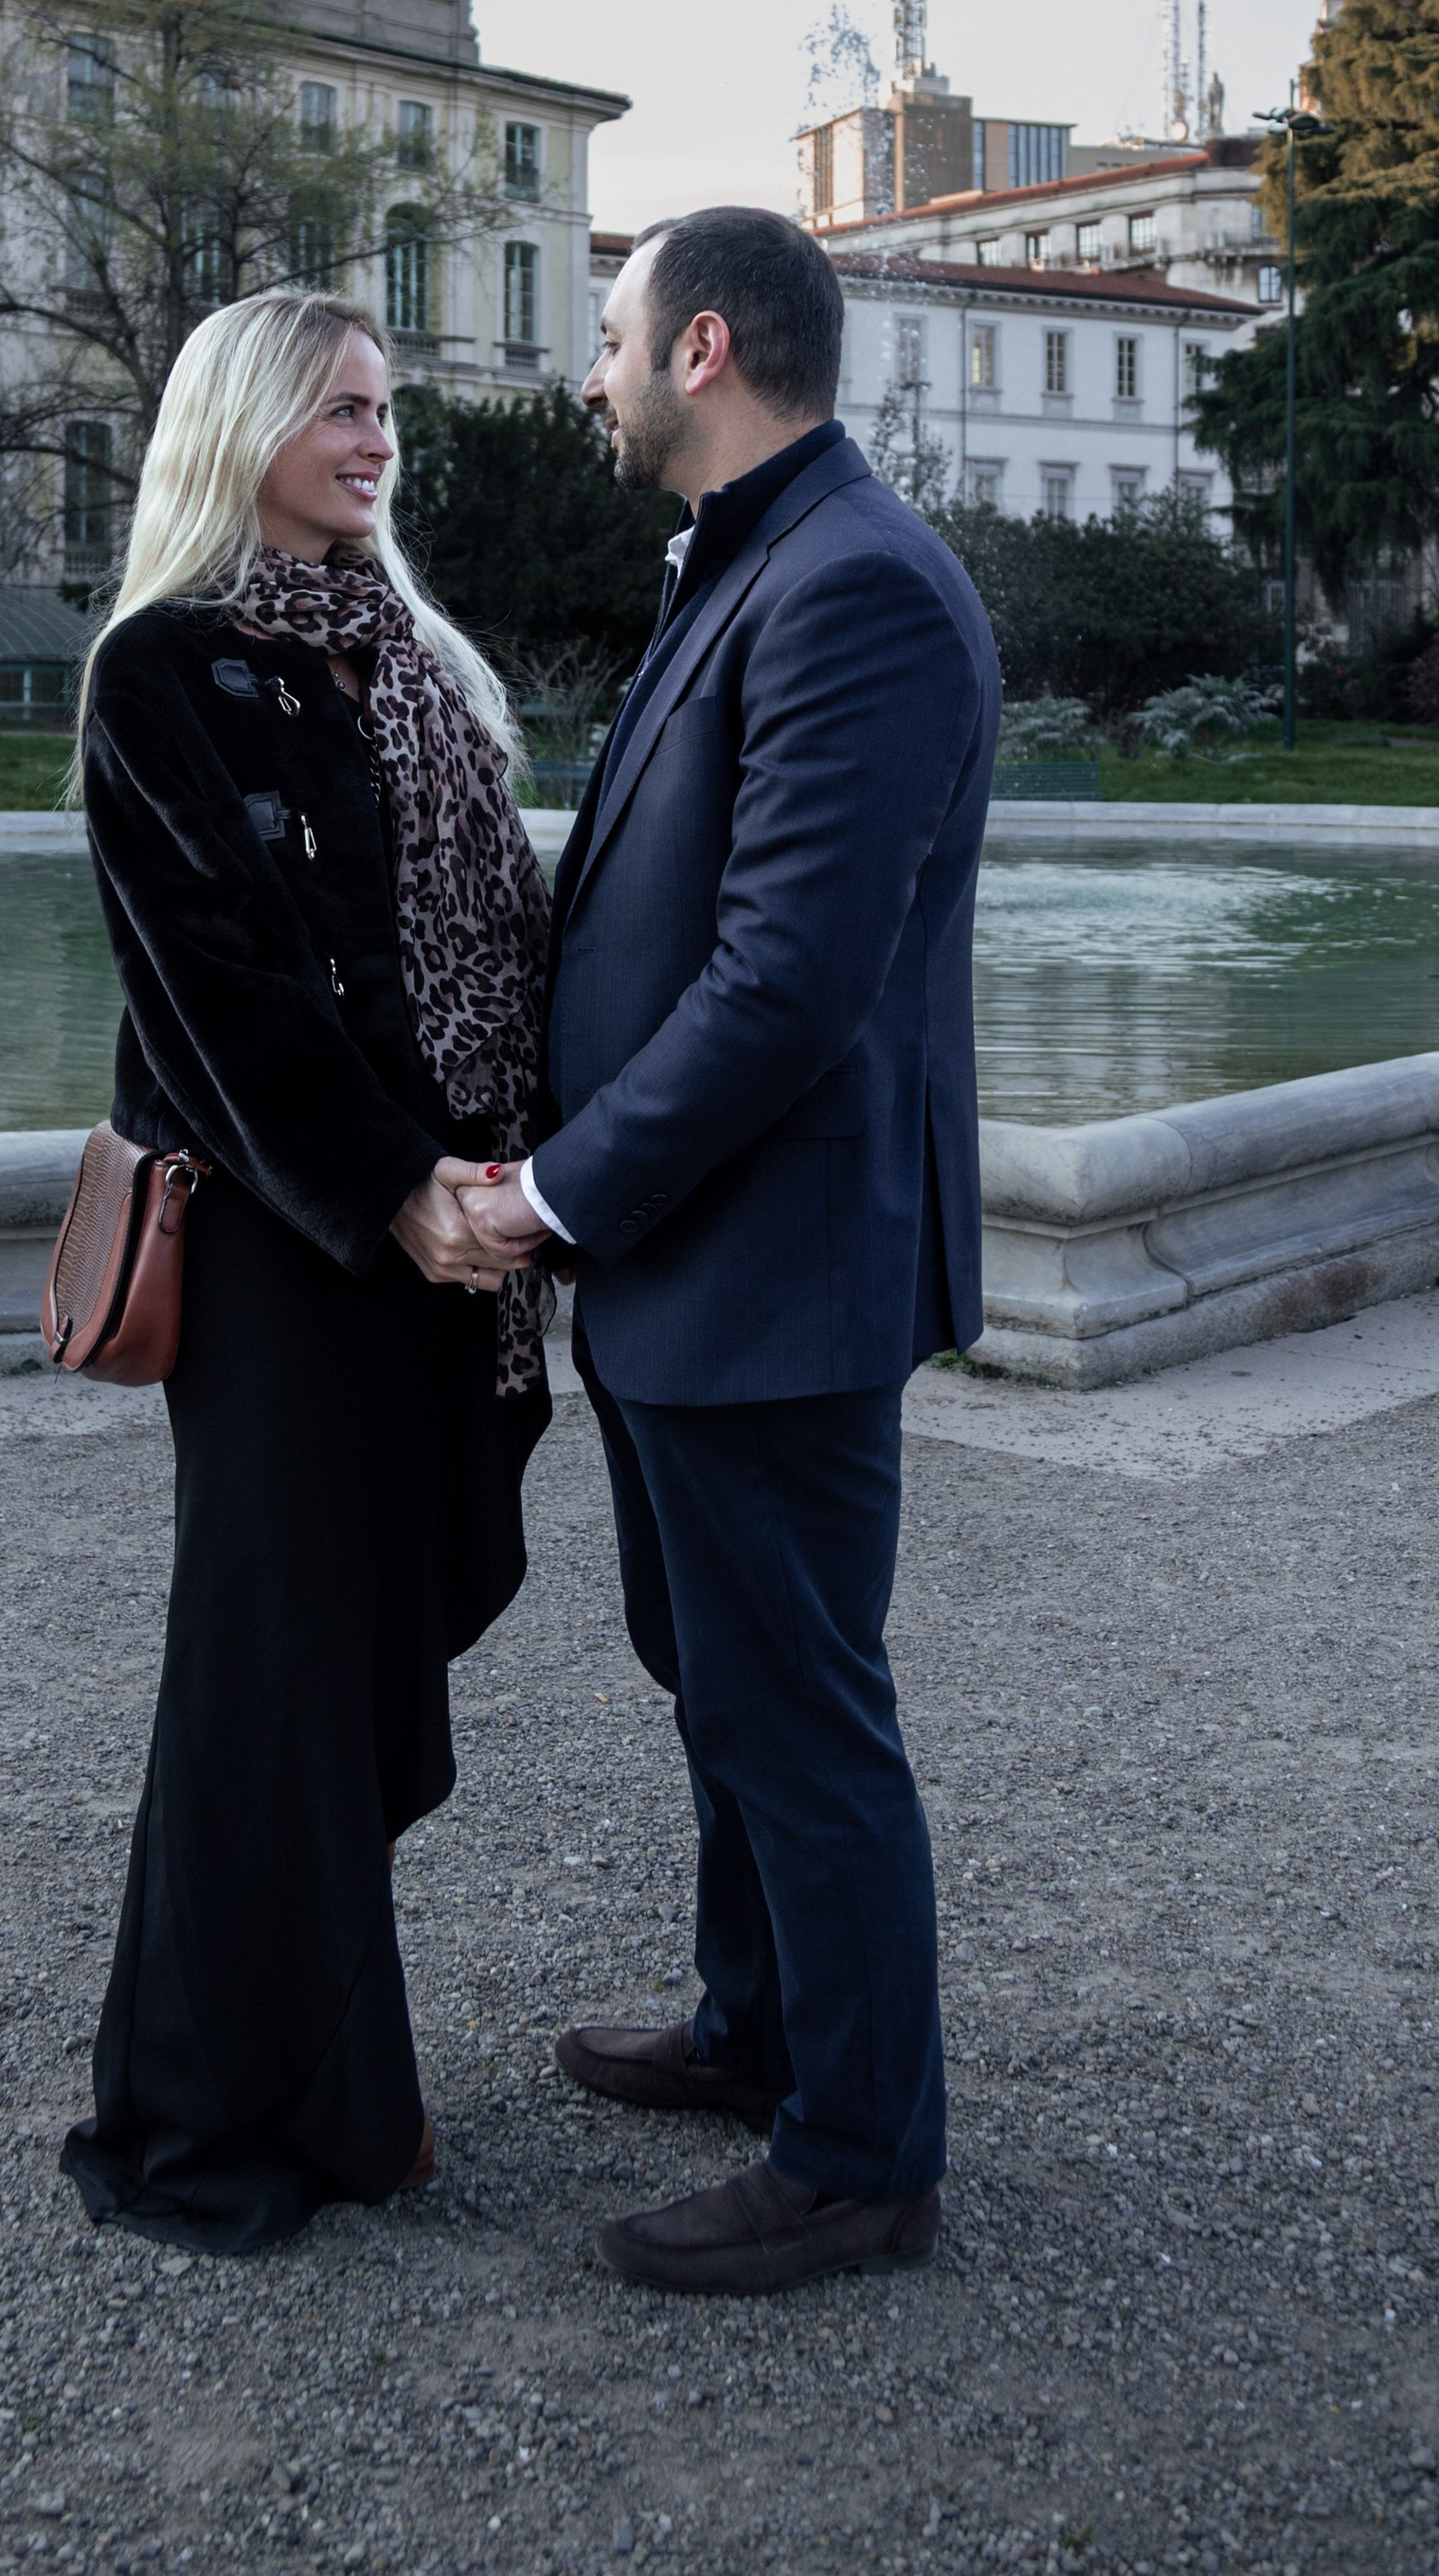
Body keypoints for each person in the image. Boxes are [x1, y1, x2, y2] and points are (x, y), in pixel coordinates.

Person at [456, 204, 1000, 2296]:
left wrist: (556, 1194)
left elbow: (781, 985)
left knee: (797, 1711)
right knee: (723, 1684)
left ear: (695, 348)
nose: (582, 378)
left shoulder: (850, 583)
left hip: (769, 1271)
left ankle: (859, 2155)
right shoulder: (760, 553)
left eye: (601, 339)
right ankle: (752, 2025)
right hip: (706, 1266)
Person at [59, 289, 554, 2255]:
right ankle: (207, 2119)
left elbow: (506, 936)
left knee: (344, 1677)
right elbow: (216, 1000)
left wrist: (511, 1184)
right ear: (242, 423)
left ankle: (347, 2088)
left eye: (384, 412)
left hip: (439, 1246)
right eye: (338, 409)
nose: (374, 441)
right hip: (290, 1252)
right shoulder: (159, 671)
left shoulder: (416, 663)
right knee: (264, 1685)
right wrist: (394, 1188)